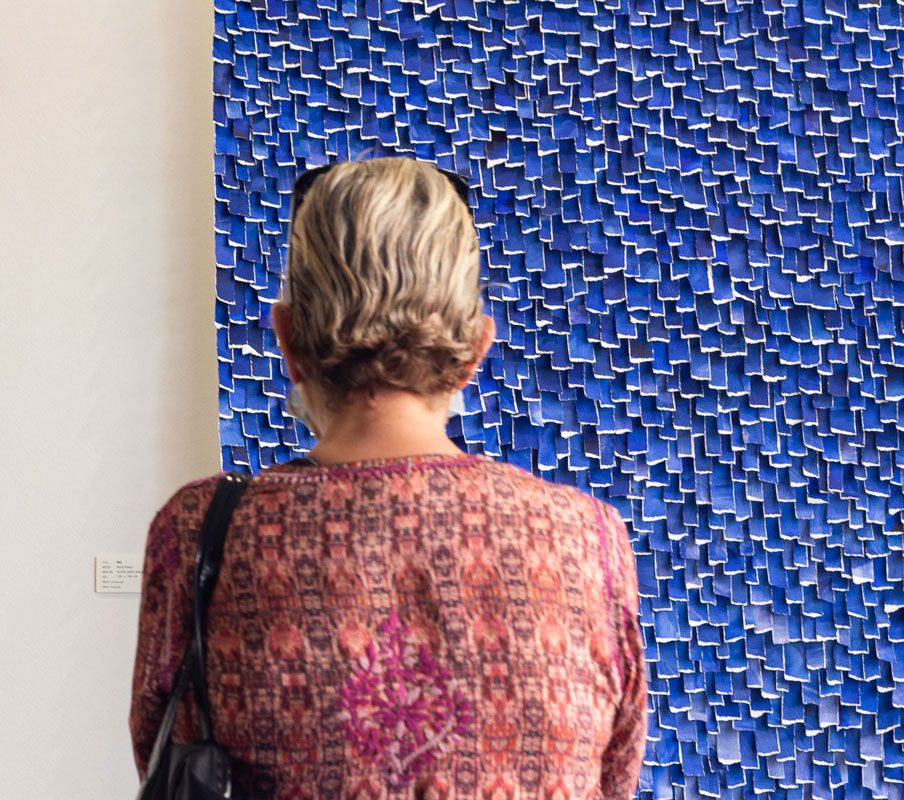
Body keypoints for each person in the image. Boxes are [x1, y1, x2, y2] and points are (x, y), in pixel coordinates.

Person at [130, 157, 648, 798]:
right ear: (474, 351)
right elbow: (614, 778)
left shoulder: (202, 531)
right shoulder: (586, 538)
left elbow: (167, 758)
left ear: (288, 341)